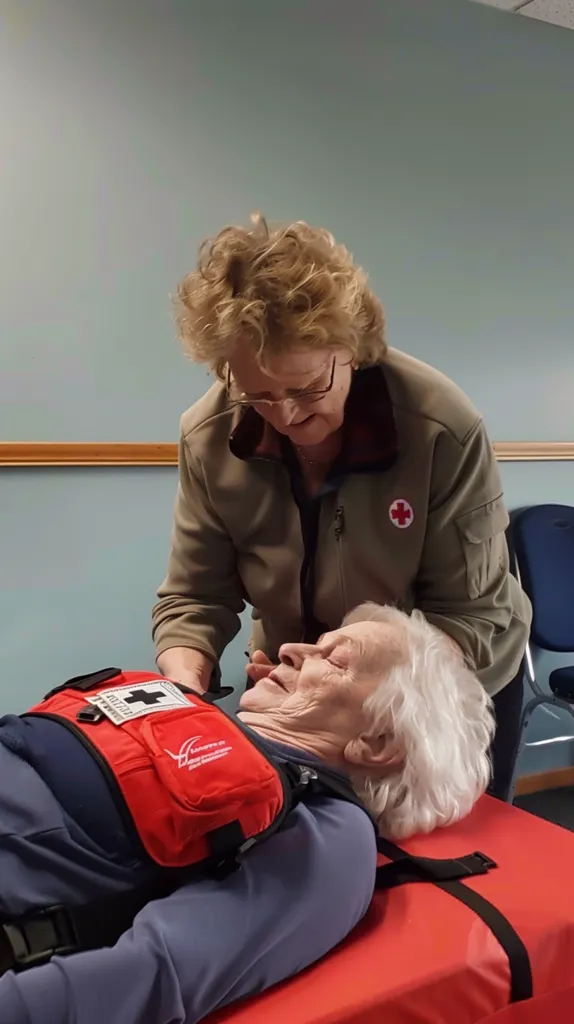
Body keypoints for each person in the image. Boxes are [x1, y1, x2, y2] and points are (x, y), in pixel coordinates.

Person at [152, 212, 531, 802]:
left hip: (444, 686)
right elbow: (195, 596)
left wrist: (359, 697)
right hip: (312, 686)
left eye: (306, 389)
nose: (285, 416)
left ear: (351, 348)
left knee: (451, 858)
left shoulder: (440, 427)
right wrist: (187, 694)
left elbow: (471, 617)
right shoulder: (207, 433)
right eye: (258, 395)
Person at [0, 604, 493, 1023]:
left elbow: (147, 976)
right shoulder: (185, 729)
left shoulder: (332, 835)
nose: (290, 650)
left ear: (377, 741)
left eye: (335, 659)